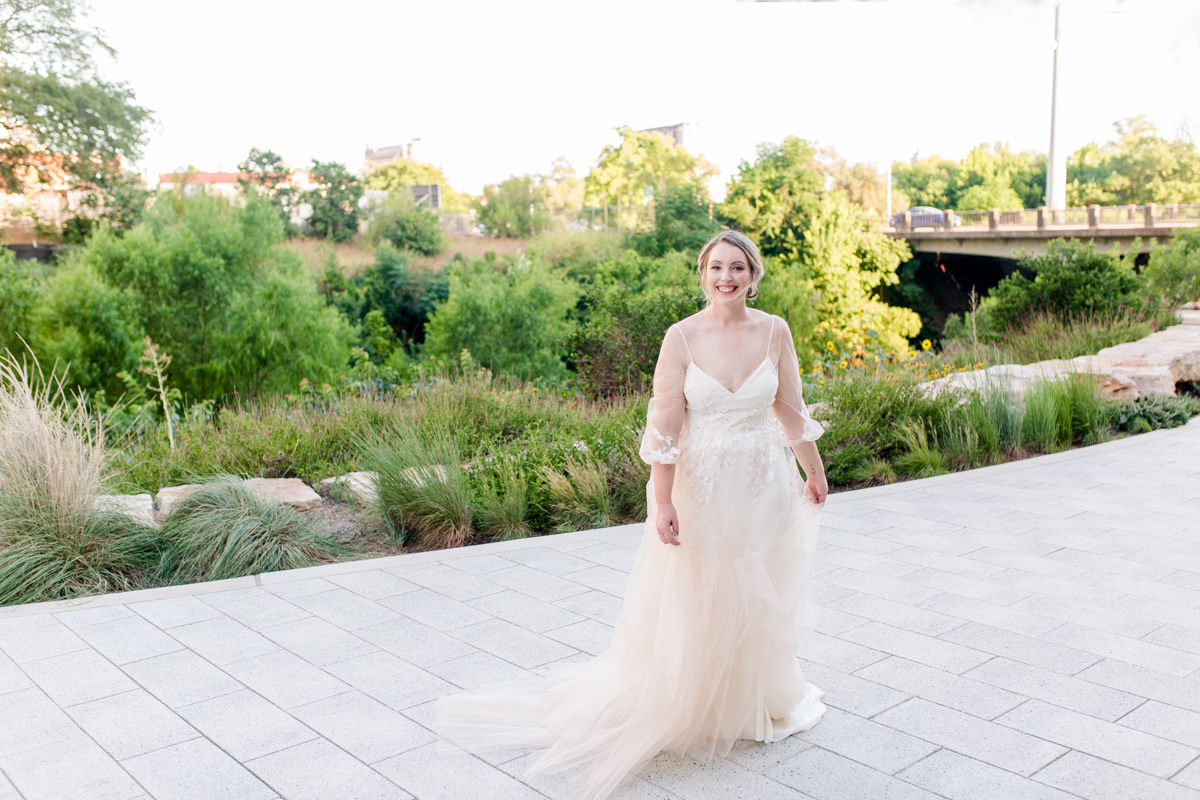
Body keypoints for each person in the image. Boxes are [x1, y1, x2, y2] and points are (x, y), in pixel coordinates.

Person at [435, 230, 829, 799]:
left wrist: (813, 469)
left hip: (767, 481)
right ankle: (700, 699)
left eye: (737, 267)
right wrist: (664, 500)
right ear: (703, 273)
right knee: (704, 590)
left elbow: (790, 409)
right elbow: (665, 430)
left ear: (753, 274)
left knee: (760, 587)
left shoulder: (774, 330)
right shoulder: (682, 338)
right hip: (705, 487)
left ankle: (755, 696)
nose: (726, 277)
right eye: (716, 267)